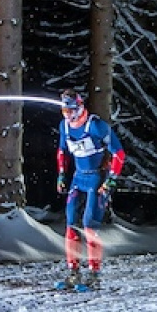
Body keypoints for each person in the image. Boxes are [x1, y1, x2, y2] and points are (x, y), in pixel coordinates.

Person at [55, 89, 125, 290]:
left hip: (97, 178)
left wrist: (111, 180)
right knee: (70, 225)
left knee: (89, 226)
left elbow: (119, 153)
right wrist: (62, 174)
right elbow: (62, 151)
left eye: (70, 110)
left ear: (79, 108)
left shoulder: (96, 126)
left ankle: (94, 275)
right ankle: (73, 272)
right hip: (78, 178)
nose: (67, 115)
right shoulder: (65, 126)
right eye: (64, 111)